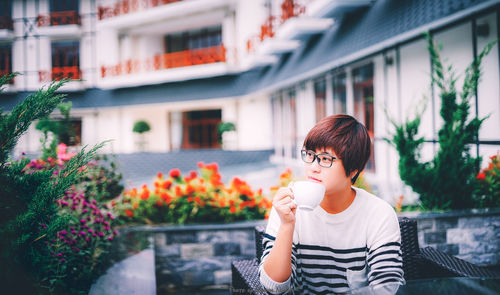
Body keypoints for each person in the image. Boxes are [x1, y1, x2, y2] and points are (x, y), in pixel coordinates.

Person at [259, 114, 405, 294]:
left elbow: (386, 287)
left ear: (353, 170)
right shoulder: (287, 205)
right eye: (310, 155)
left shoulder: (378, 213)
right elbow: (273, 287)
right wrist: (287, 225)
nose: (313, 166)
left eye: (326, 159)